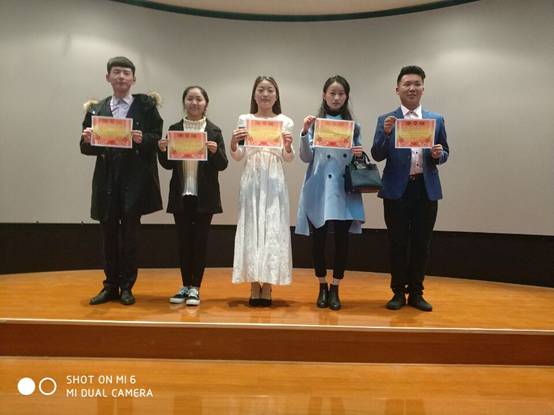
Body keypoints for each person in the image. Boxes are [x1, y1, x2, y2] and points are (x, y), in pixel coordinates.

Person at [80, 56, 163, 306]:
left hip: (134, 182)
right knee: (108, 236)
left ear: (133, 79)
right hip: (107, 181)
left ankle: (127, 286)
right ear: (108, 77)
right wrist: (87, 139)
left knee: (129, 236)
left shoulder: (146, 105)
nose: (121, 77)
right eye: (116, 72)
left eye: (126, 73)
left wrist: (142, 139)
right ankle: (110, 286)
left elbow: (157, 139)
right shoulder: (97, 108)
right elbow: (86, 148)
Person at [371, 65, 449, 312]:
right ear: (398, 89)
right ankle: (397, 292)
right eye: (407, 84)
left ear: (423, 88)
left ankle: (416, 292)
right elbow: (377, 154)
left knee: (421, 243)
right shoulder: (387, 120)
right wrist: (386, 134)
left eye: (417, 84)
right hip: (397, 190)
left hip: (426, 189)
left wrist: (438, 154)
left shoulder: (436, 120)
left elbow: (445, 152)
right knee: (397, 243)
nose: (412, 88)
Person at [296, 75, 365, 311]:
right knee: (319, 240)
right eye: (332, 93)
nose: (336, 98)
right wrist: (304, 132)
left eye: (341, 94)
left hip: (343, 189)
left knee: (342, 241)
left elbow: (357, 157)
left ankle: (336, 287)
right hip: (319, 187)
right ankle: (322, 285)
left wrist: (357, 152)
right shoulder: (315, 125)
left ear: (346, 97)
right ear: (324, 95)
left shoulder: (354, 127)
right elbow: (306, 157)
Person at [157, 86, 228, 306]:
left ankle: (196, 287)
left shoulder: (214, 131)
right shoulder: (174, 129)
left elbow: (223, 164)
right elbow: (167, 165)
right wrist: (162, 150)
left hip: (204, 196)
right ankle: (185, 285)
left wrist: (215, 152)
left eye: (198, 99)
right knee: (183, 242)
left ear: (206, 103)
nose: (194, 103)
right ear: (184, 102)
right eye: (190, 99)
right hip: (181, 194)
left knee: (200, 242)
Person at [230, 76, 294, 307]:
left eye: (270, 90)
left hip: (274, 178)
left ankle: (267, 284)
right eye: (261, 90)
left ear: (276, 95)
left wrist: (288, 146)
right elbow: (239, 156)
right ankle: (253, 284)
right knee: (252, 226)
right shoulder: (244, 119)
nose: (265, 94)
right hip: (252, 177)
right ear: (254, 94)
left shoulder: (285, 121)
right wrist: (233, 143)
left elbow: (288, 158)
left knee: (272, 227)